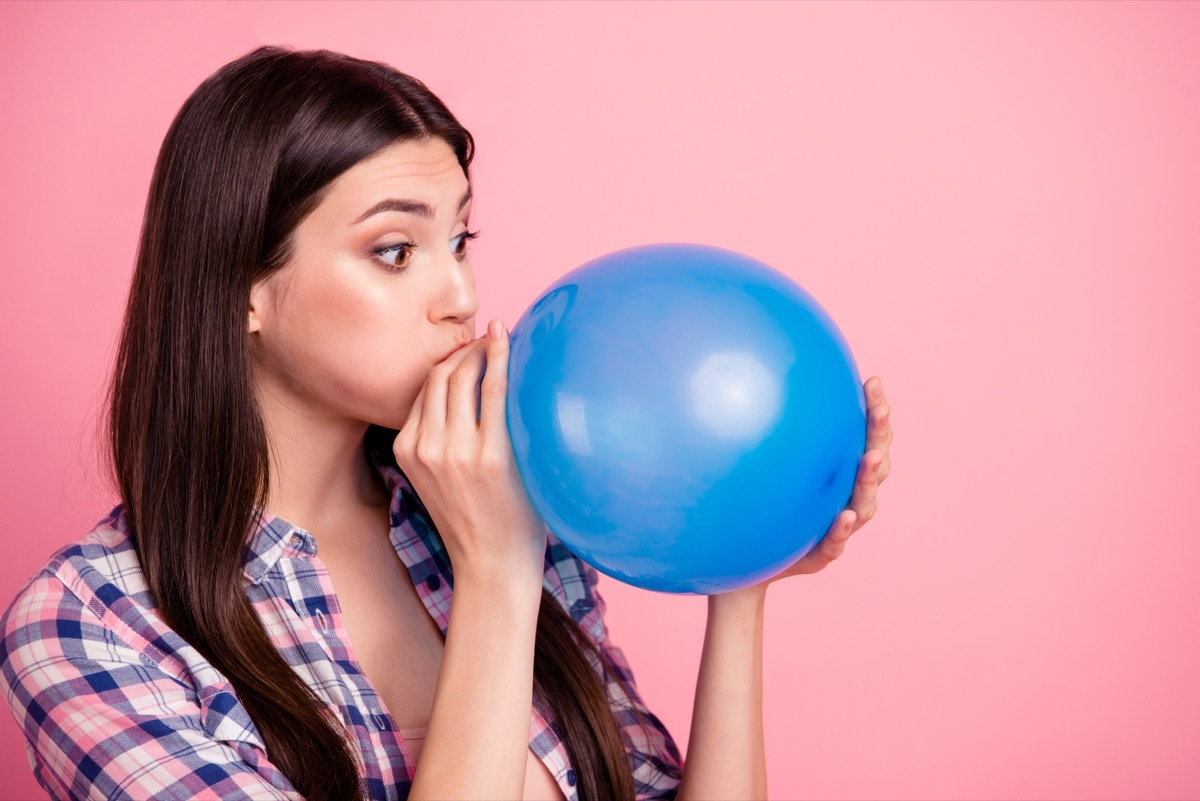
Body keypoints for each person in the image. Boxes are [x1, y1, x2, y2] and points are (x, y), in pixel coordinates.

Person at [0, 45, 893, 801]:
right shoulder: (89, 629)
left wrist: (738, 570)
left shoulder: (519, 500)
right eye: (395, 251)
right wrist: (499, 568)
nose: (460, 297)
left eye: (461, 241)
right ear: (242, 287)